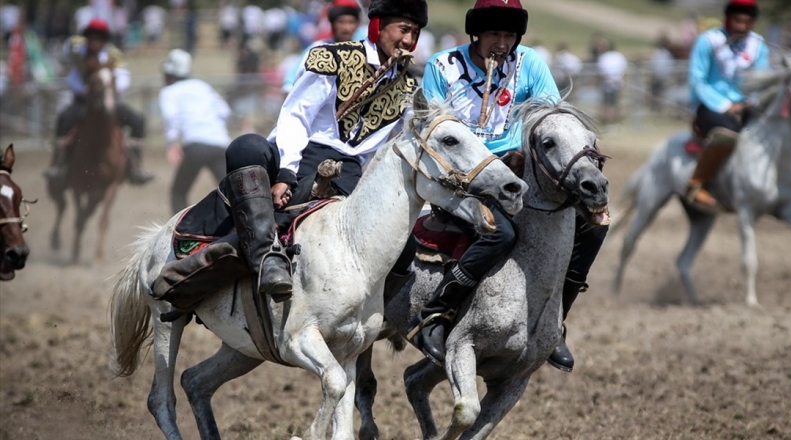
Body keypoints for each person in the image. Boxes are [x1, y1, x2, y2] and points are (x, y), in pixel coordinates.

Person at [157, 0, 428, 302]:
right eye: (404, 29)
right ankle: (263, 257)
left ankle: (376, 313)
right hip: (300, 154)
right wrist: (286, 172)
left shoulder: (409, 87)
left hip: (349, 175)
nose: (409, 40)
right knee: (247, 147)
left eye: (415, 33)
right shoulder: (331, 57)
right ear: (377, 26)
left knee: (404, 247)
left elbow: (415, 138)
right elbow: (296, 115)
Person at [408, 0, 609, 373]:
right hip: (462, 173)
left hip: (518, 170)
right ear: (476, 34)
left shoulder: (529, 62)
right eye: (494, 34)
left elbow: (551, 117)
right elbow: (434, 129)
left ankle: (554, 322)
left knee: (594, 226)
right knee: (500, 233)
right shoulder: (442, 66)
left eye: (509, 35)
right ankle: (435, 314)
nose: (502, 44)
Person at [46, 18, 154, 186]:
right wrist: (83, 89)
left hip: (108, 99)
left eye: (99, 38)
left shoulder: (114, 56)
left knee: (137, 121)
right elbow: (73, 75)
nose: (94, 41)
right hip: (83, 102)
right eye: (91, 37)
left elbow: (124, 77)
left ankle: (136, 167)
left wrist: (108, 88)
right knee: (64, 119)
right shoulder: (78, 52)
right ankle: (58, 165)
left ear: (104, 40)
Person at [686, 0, 769, 212]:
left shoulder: (758, 45)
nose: (742, 27)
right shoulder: (708, 40)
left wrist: (750, 101)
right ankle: (696, 184)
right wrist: (725, 105)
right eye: (737, 21)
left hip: (747, 106)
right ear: (727, 19)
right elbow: (697, 81)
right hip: (711, 107)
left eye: (747, 22)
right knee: (727, 133)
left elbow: (762, 81)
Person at [158, 49, 232, 215]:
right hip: (221, 145)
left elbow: (171, 117)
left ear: (169, 74)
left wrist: (171, 143)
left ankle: (183, 229)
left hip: (195, 146)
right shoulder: (202, 86)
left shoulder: (168, 92)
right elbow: (224, 111)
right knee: (230, 193)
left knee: (178, 192)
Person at [281, 0, 362, 94]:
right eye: (340, 22)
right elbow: (290, 83)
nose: (346, 28)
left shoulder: (364, 50)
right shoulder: (318, 49)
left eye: (351, 22)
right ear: (332, 23)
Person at [596, 37, 627, 125]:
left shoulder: (605, 57)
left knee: (610, 104)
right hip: (614, 83)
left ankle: (611, 122)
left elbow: (602, 71)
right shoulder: (618, 56)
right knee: (612, 104)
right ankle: (613, 121)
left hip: (610, 84)